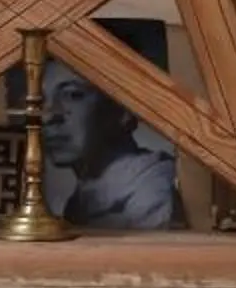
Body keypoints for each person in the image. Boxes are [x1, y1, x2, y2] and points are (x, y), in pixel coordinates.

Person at [42, 66, 183, 228]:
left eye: (74, 95)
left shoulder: (150, 192)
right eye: (41, 100)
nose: (47, 116)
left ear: (124, 108)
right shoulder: (83, 199)